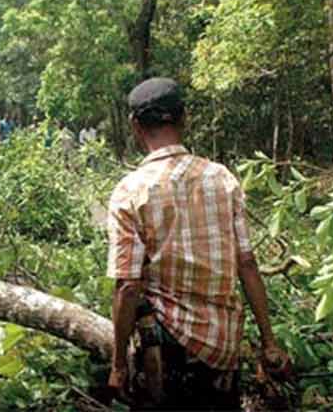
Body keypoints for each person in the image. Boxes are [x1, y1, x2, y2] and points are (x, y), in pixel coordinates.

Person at [105, 78, 291, 410]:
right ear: (184, 118)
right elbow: (246, 264)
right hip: (223, 346)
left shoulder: (129, 191)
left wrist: (118, 364)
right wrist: (269, 342)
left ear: (135, 126)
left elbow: (128, 287)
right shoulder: (222, 178)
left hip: (165, 348)